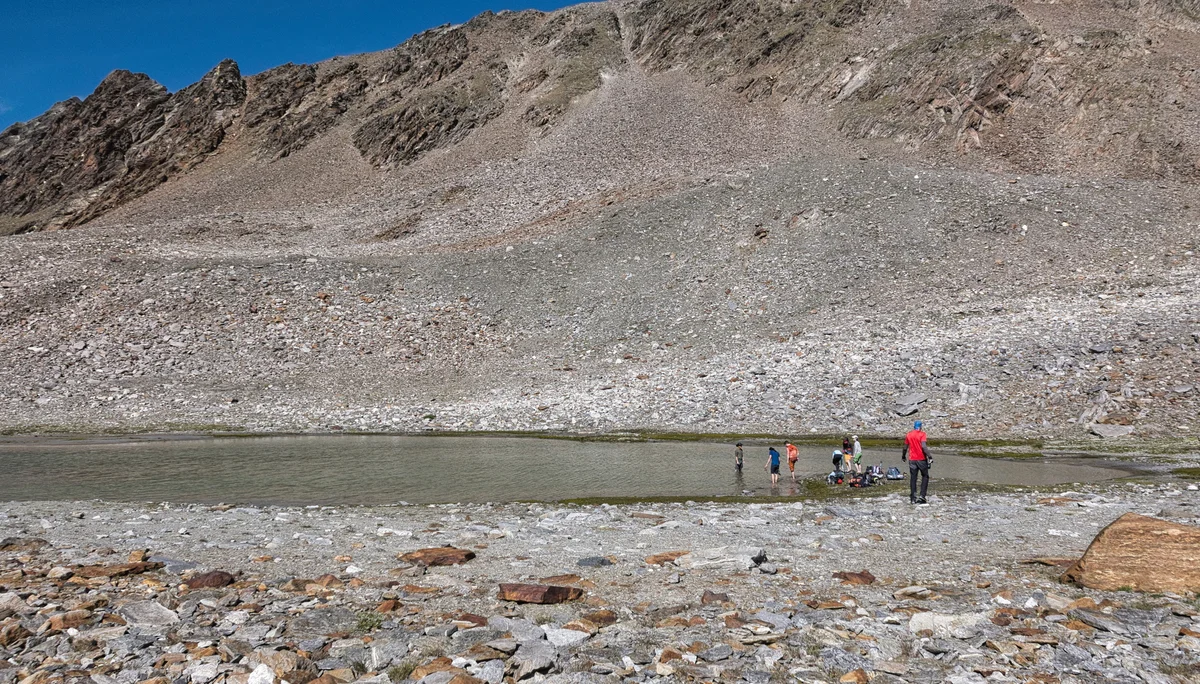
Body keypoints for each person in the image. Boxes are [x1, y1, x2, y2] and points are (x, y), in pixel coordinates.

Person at [901, 420, 932, 504]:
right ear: (920, 427)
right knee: (925, 476)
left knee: (913, 478)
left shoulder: (909, 434)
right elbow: (924, 447)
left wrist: (903, 456)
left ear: (914, 426)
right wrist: (930, 456)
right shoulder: (922, 434)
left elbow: (905, 447)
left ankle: (913, 498)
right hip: (921, 459)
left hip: (912, 459)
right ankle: (922, 496)